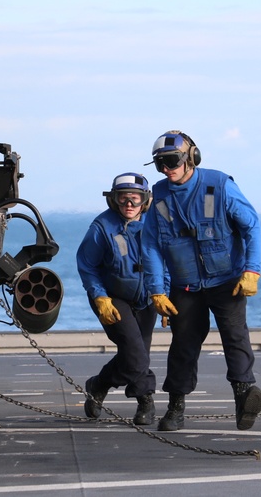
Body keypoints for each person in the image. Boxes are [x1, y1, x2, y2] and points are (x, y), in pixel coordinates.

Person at [141, 130, 261, 432]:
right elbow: (151, 246)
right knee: (183, 345)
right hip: (185, 286)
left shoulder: (219, 185)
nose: (167, 170)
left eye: (172, 161)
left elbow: (252, 226)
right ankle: (175, 407)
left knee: (235, 337)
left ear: (191, 158)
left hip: (227, 281)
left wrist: (252, 270)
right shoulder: (159, 198)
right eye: (160, 165)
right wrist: (157, 291)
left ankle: (244, 394)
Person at [76, 173, 160, 425]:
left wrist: (163, 295)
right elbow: (87, 266)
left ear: (145, 201)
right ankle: (144, 399)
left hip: (147, 298)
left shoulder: (156, 224)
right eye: (123, 199)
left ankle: (99, 384)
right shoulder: (101, 227)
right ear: (114, 200)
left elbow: (166, 263)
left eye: (135, 199)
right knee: (136, 356)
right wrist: (100, 297)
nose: (129, 204)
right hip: (112, 299)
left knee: (138, 353)